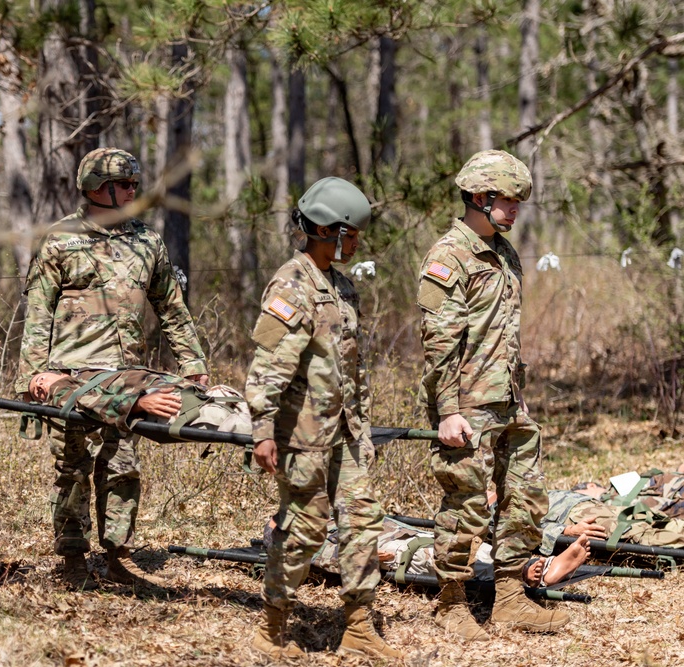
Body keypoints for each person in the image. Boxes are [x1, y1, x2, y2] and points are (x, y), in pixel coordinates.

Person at [16, 148, 209, 592]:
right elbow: (38, 310)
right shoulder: (61, 239)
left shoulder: (146, 241)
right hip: (70, 377)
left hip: (126, 377)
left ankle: (118, 555)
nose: (132, 192)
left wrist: (194, 365)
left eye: (134, 184)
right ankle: (73, 560)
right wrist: (32, 374)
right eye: (124, 184)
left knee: (123, 464)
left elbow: (172, 310)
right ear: (97, 188)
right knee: (73, 469)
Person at [245, 177, 402, 660]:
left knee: (361, 523)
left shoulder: (342, 286)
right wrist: (263, 430)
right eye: (350, 234)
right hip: (303, 435)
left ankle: (358, 627)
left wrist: (363, 429)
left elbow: (351, 370)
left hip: (345, 434)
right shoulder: (292, 284)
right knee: (306, 528)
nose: (356, 243)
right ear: (324, 230)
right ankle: (271, 629)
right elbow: (269, 365)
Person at [417, 149, 567, 640]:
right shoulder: (448, 256)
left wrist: (515, 394)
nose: (516, 208)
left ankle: (509, 598)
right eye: (509, 199)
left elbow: (503, 333)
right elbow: (439, 341)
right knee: (466, 503)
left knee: (525, 496)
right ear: (480, 198)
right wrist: (447, 410)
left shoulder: (504, 253)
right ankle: (452, 604)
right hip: (466, 404)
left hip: (507, 400)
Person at [283, 517, 592, 588]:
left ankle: (535, 564)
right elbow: (328, 560)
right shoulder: (307, 543)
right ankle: (530, 574)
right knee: (446, 560)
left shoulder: (338, 513)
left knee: (473, 548)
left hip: (411, 536)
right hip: (398, 551)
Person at [28, 368, 250, 436]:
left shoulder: (85, 375)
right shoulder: (63, 390)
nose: (39, 388)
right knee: (261, 432)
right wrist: (137, 404)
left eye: (40, 379)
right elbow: (88, 402)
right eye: (37, 393)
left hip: (199, 395)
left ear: (52, 371)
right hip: (176, 408)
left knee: (270, 419)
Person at [540, 488, 684, 553]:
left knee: (648, 517)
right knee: (634, 531)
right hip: (570, 516)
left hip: (586, 504)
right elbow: (522, 529)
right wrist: (567, 530)